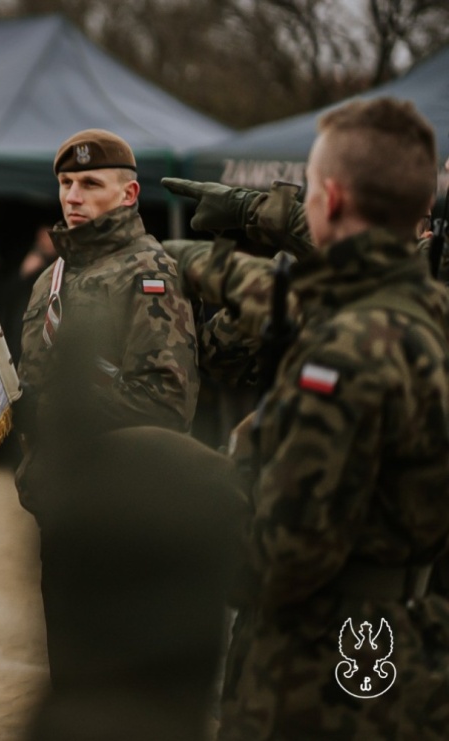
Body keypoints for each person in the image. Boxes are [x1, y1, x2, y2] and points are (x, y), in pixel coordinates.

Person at [186, 98, 449, 740]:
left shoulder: (349, 348)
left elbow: (279, 558)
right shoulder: (426, 319)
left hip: (318, 664)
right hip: (406, 642)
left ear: (329, 200)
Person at [14, 129, 200, 692]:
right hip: (62, 504)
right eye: (66, 183)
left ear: (128, 193)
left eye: (90, 183)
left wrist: (74, 395)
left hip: (126, 512)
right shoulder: (55, 275)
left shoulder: (149, 273)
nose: (72, 195)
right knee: (70, 684)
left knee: (119, 694)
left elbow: (166, 405)